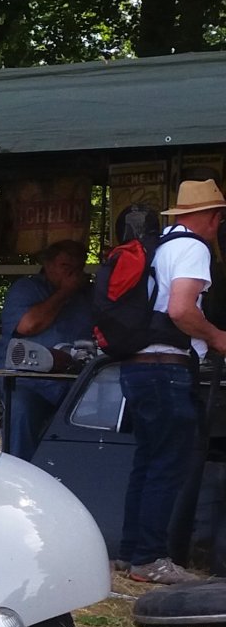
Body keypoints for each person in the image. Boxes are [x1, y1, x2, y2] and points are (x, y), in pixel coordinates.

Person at [119, 180, 226, 584]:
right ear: (209, 216)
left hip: (138, 366)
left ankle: (132, 554)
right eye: (219, 216)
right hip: (167, 367)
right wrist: (216, 337)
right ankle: (150, 558)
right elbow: (182, 308)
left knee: (147, 461)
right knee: (168, 464)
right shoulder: (193, 248)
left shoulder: (158, 245)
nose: (219, 224)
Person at [0, 239, 92, 461]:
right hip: (29, 382)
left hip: (75, 382)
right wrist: (64, 293)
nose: (73, 274)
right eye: (66, 267)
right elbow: (28, 326)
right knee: (20, 410)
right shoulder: (27, 289)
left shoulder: (87, 294)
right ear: (48, 265)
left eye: (78, 268)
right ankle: (19, 473)